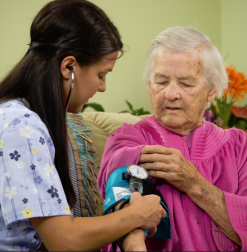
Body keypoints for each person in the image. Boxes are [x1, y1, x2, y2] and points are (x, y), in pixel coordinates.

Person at [0, 0, 166, 251]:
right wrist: (136, 215)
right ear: (69, 67)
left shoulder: (18, 115)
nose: (102, 87)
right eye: (101, 74)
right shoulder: (22, 127)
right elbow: (64, 240)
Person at [98, 26, 247, 251]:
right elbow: (112, 177)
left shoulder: (239, 146)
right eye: (161, 82)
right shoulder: (129, 138)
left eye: (186, 84)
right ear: (149, 86)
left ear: (212, 90)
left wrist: (193, 183)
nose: (171, 93)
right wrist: (140, 158)